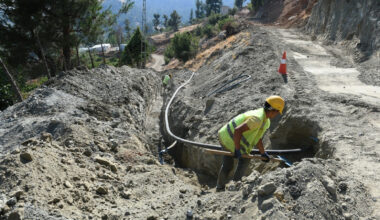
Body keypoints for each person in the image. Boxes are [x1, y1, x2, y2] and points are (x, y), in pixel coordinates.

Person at [216, 95, 285, 191]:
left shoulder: (266, 121)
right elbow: (238, 131)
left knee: (245, 160)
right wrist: (237, 149)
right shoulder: (257, 119)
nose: (277, 114)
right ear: (273, 110)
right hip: (228, 138)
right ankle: (219, 187)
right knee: (228, 165)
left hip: (235, 141)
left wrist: (263, 153)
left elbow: (258, 138)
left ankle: (236, 185)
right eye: (277, 112)